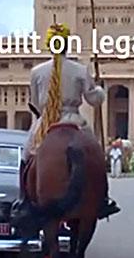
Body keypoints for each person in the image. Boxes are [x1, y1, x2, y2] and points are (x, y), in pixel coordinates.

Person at [14, 22, 120, 219]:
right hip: (74, 119)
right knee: (95, 151)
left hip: (46, 121)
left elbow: (36, 102)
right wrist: (99, 89)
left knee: (26, 155)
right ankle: (103, 199)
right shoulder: (80, 70)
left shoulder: (37, 72)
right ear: (66, 45)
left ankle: (23, 200)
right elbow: (93, 99)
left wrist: (47, 112)